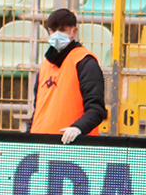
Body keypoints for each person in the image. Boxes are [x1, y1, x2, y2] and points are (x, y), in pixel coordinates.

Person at [32, 8, 106, 144]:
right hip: (40, 144)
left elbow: (96, 109)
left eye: (62, 30)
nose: (56, 35)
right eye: (53, 31)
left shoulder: (84, 62)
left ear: (74, 31)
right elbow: (37, 109)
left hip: (74, 147)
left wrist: (78, 128)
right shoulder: (45, 65)